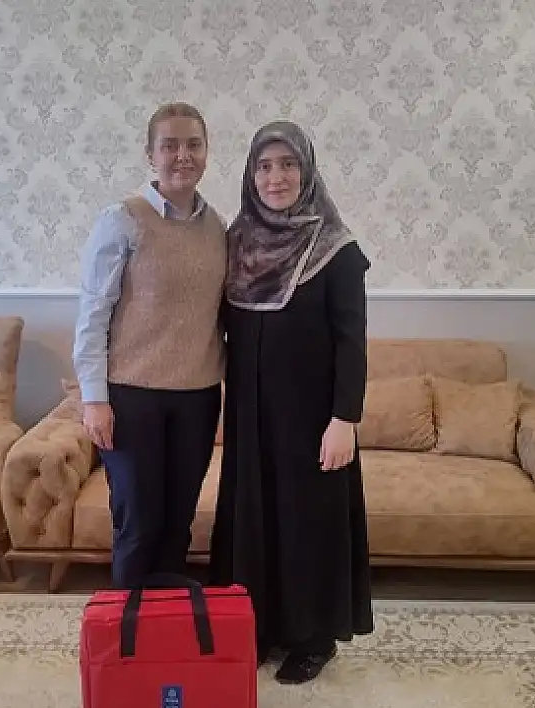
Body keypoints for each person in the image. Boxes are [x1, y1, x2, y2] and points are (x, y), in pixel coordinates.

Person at [209, 120, 374, 684]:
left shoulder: (336, 250)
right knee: (254, 519)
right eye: (264, 166)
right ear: (249, 175)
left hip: (312, 420)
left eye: (287, 164)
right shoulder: (236, 244)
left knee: (307, 524)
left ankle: (313, 638)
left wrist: (344, 419)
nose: (275, 177)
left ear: (307, 171)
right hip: (250, 417)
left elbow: (352, 342)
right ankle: (256, 626)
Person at [72, 102, 227, 590]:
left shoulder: (218, 229)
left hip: (198, 398)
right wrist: (94, 400)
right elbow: (93, 314)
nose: (183, 155)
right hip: (131, 398)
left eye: (193, 144)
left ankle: (170, 624)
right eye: (170, 145)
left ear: (207, 153)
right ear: (151, 154)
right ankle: (129, 626)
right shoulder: (123, 219)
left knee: (178, 523)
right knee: (138, 523)